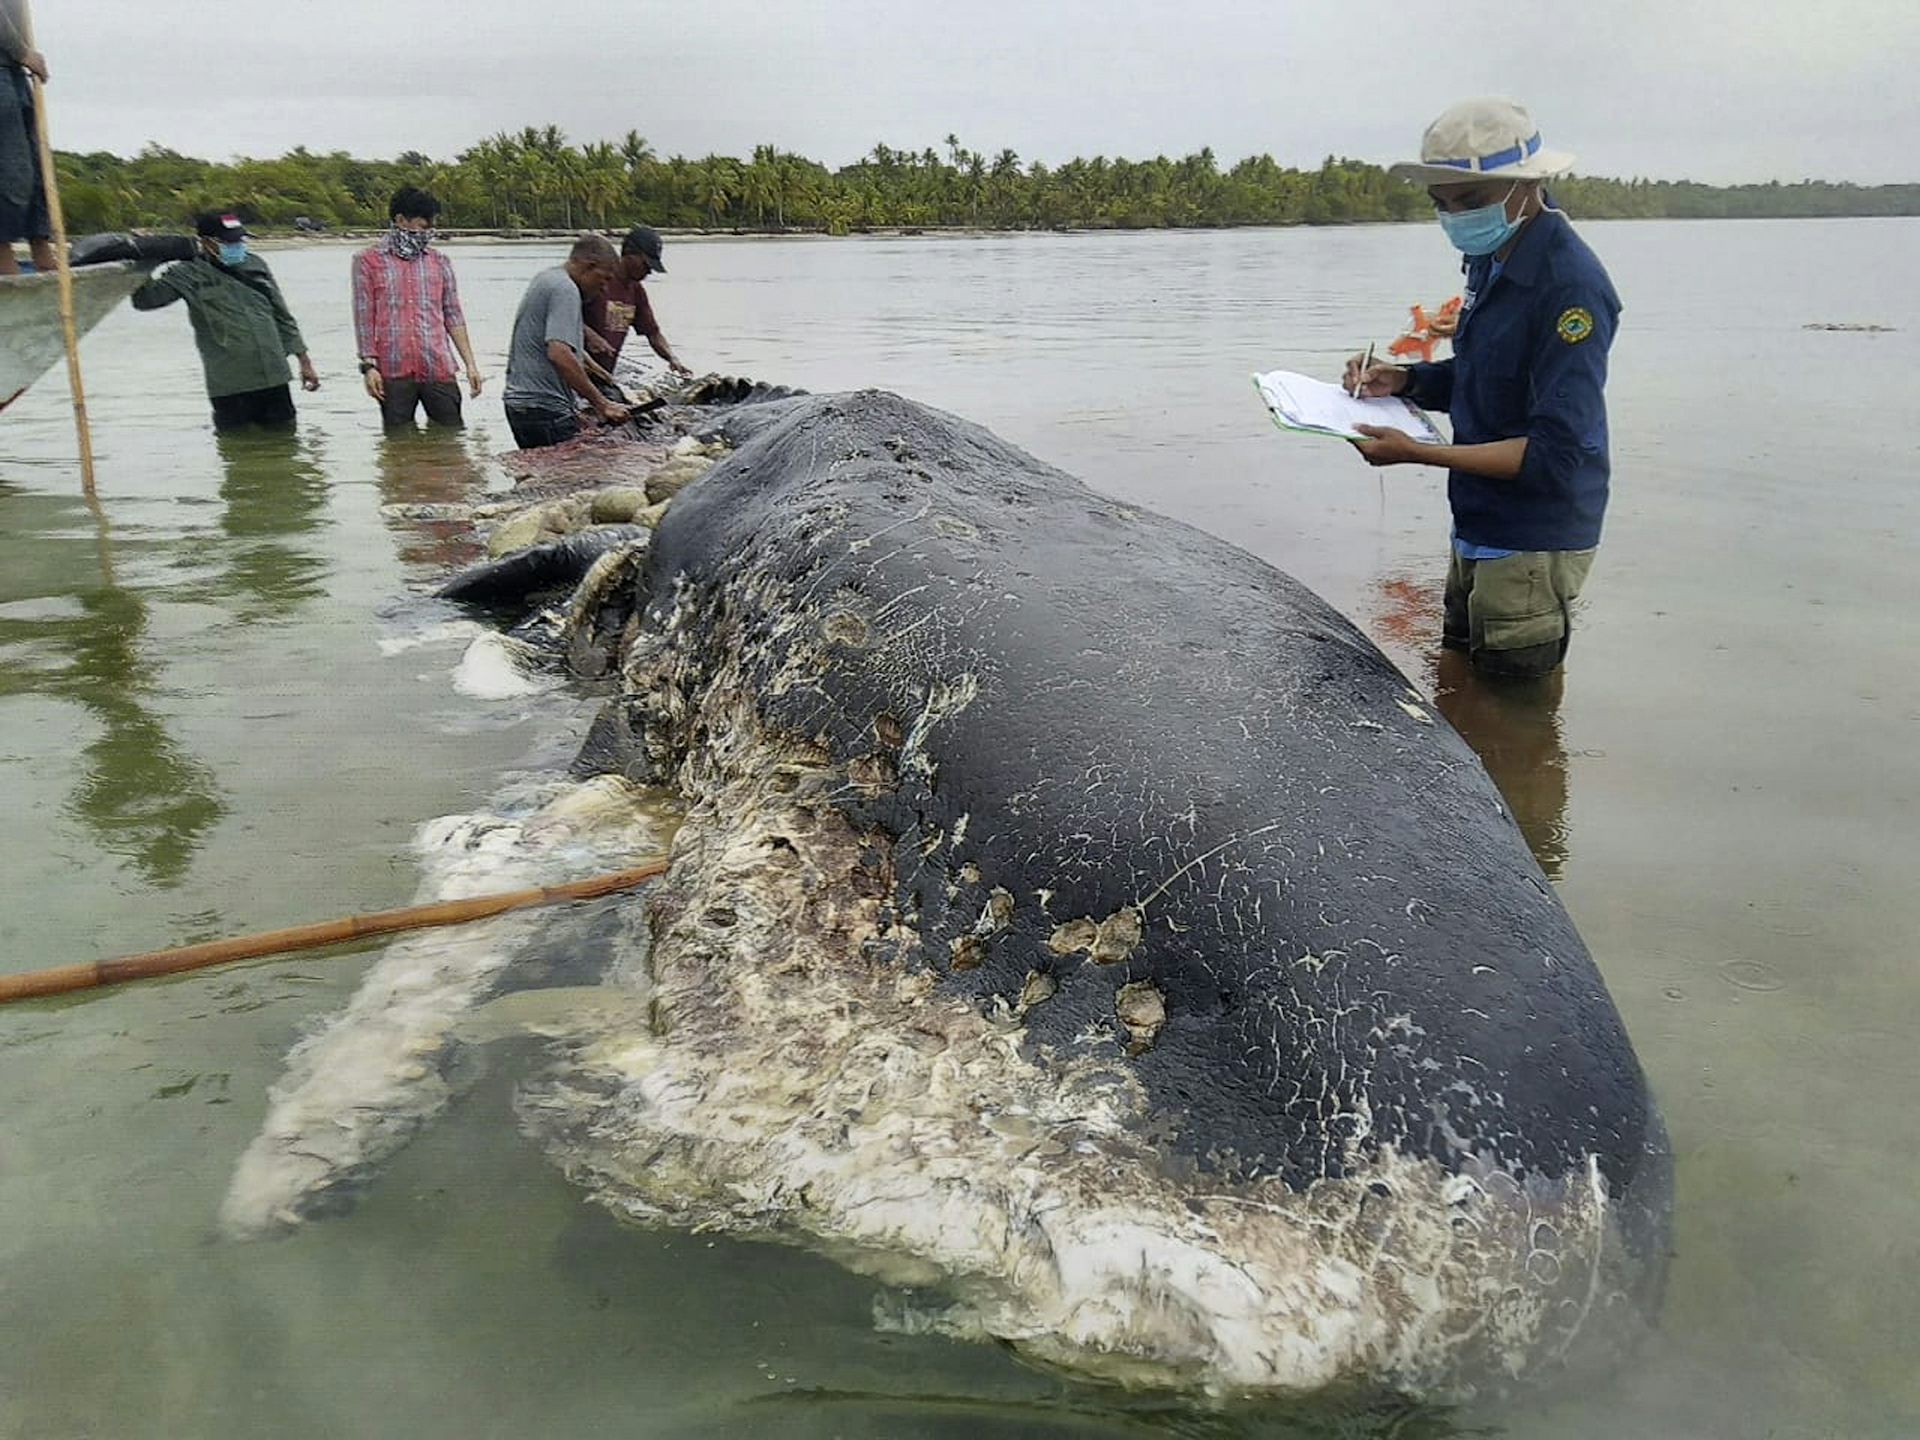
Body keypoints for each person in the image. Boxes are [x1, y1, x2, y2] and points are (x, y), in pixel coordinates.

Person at [1343, 97, 1620, 680]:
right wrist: (1407, 380)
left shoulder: (1571, 288)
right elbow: (1483, 380)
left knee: (1519, 716)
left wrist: (1417, 452)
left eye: (1469, 201)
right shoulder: (1489, 258)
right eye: (1439, 204)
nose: (1454, 217)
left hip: (1531, 541)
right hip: (1477, 520)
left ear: (1527, 186)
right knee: (1462, 685)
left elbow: (1553, 453)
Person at [132, 212, 321, 432]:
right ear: (206, 242)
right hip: (230, 383)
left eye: (239, 240)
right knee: (238, 449)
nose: (237, 246)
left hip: (273, 375)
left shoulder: (256, 264)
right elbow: (145, 300)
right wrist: (146, 257)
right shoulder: (187, 273)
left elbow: (282, 315)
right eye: (228, 241)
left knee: (285, 443)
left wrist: (304, 361)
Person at [351, 186, 483, 428]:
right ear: (401, 220)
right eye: (423, 226)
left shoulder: (439, 261)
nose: (428, 233)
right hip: (392, 370)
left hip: (437, 365)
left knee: (452, 437)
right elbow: (364, 318)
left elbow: (453, 314)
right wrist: (369, 367)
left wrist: (470, 365)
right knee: (398, 446)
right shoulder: (367, 261)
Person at [502, 234, 630, 450]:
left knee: (540, 478)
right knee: (572, 480)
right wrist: (602, 404)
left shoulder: (547, 278)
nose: (605, 288)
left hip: (521, 406)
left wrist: (602, 375)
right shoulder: (566, 289)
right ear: (589, 266)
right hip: (544, 409)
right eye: (605, 278)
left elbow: (567, 347)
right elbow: (559, 353)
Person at [583, 224, 691, 383]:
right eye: (646, 264)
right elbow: (560, 318)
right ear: (629, 254)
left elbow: (653, 333)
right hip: (577, 372)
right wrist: (589, 334)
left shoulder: (636, 291)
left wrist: (672, 358)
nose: (649, 271)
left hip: (603, 376)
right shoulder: (597, 280)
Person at [0, 0, 53, 275]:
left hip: (14, 69)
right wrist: (23, 53)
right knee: (9, 168)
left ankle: (41, 245)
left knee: (35, 164)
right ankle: (3, 257)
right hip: (6, 64)